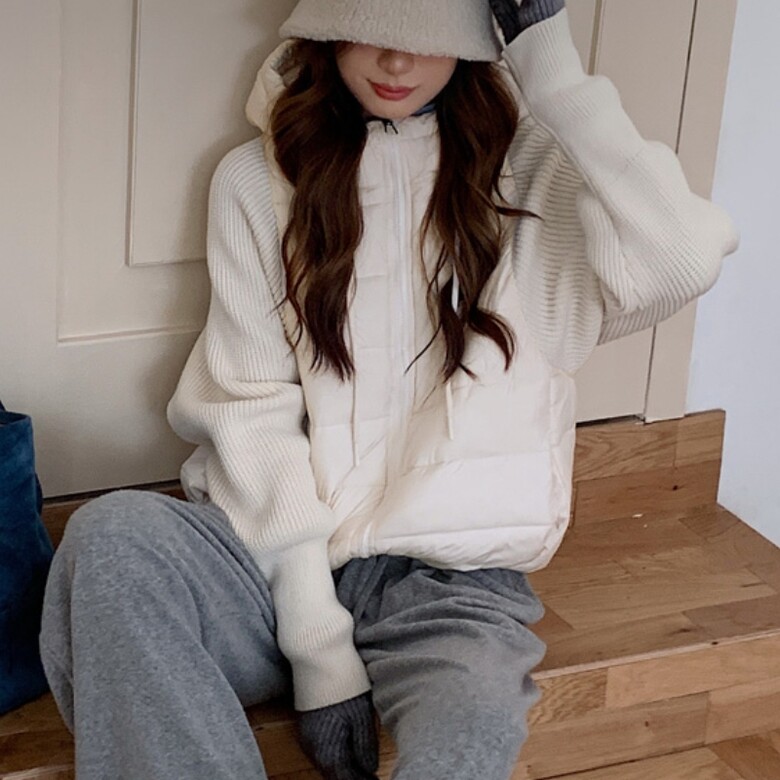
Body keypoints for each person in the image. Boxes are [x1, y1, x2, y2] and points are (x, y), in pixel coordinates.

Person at [38, 1, 740, 778]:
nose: (397, 61)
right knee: (111, 537)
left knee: (464, 746)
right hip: (272, 576)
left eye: (428, 38)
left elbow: (682, 257)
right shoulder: (259, 179)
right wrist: (320, 650)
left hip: (452, 590)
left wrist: (555, 72)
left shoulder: (536, 172)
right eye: (373, 28)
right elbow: (250, 410)